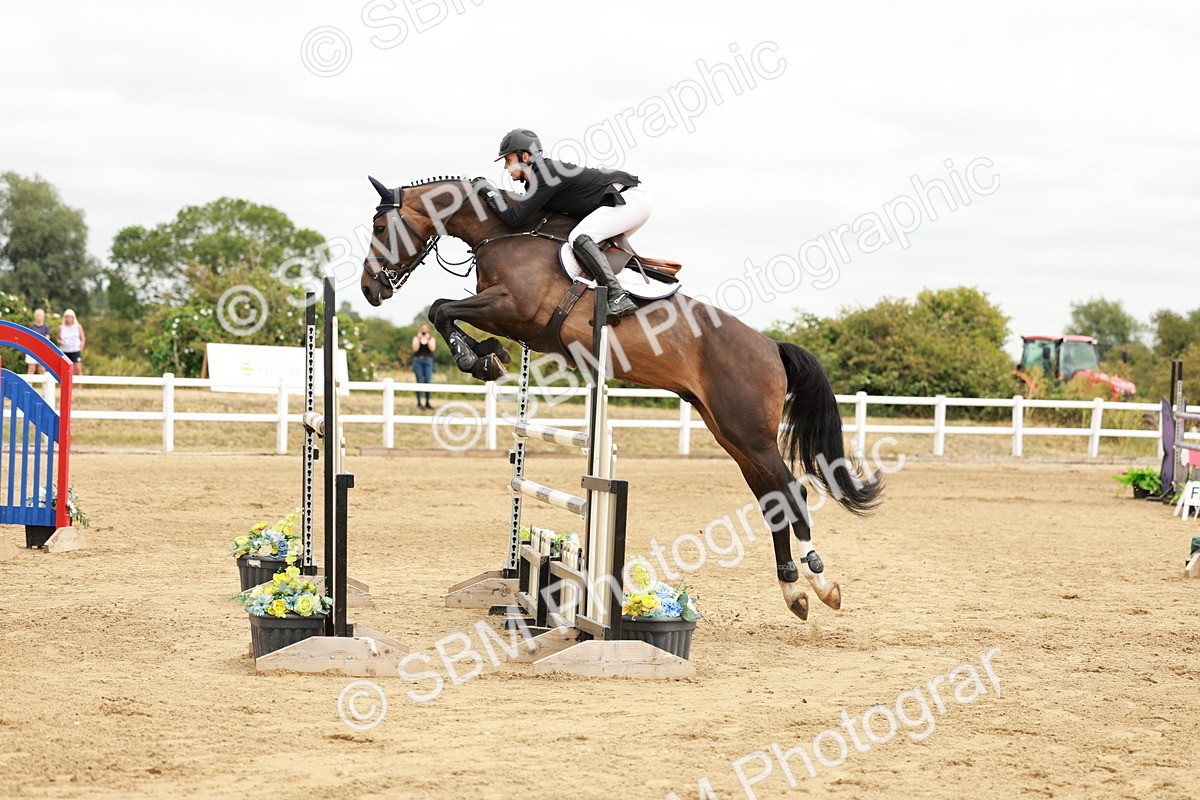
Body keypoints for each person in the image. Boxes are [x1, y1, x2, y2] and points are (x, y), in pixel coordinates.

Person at [476, 128, 650, 322]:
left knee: (579, 237)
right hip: (626, 203)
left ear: (524, 156)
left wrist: (489, 193)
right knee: (584, 251)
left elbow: (514, 218)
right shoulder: (539, 177)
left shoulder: (545, 173)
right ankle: (607, 299)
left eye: (508, 161)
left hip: (629, 200)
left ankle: (617, 295)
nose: (505, 168)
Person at [411, 323, 436, 409]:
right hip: (418, 360)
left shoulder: (431, 338)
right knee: (419, 381)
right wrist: (419, 339)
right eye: (422, 328)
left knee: (428, 381)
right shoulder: (416, 338)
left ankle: (427, 402)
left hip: (428, 361)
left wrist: (427, 339)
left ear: (428, 329)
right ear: (420, 329)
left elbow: (432, 349)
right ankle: (419, 402)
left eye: (425, 328)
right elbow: (415, 349)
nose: (424, 329)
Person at [57, 309, 85, 377]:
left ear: (73, 317)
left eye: (70, 316)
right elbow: (58, 338)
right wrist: (59, 341)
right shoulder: (61, 327)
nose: (69, 318)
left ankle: (79, 387)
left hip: (75, 350)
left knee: (77, 369)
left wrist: (80, 348)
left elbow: (83, 338)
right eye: (67, 316)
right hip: (65, 350)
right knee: (65, 370)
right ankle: (66, 386)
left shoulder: (78, 326)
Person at [26, 308, 51, 375]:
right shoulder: (31, 327)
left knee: (42, 369)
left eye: (40, 316)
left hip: (42, 350)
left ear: (43, 317)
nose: (39, 317)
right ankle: (29, 385)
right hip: (32, 349)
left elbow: (47, 338)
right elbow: (29, 338)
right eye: (37, 316)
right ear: (35, 316)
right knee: (31, 368)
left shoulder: (46, 327)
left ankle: (44, 385)